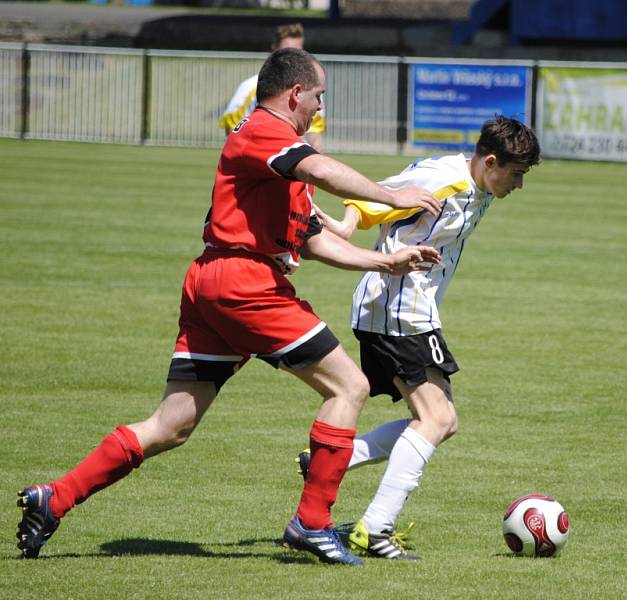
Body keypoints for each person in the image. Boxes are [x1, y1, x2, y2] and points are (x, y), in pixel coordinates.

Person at [15, 48, 442, 566]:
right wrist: (393, 196)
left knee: (171, 425)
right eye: (318, 96)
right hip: (245, 285)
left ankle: (53, 497)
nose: (320, 107)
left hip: (215, 283)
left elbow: (310, 241)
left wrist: (386, 262)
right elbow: (326, 172)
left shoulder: (280, 160)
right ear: (294, 94)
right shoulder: (265, 129)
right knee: (349, 387)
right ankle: (312, 522)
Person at [299, 116, 541, 559]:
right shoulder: (444, 179)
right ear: (491, 162)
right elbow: (384, 193)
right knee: (436, 419)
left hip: (408, 311)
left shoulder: (478, 185)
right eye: (517, 174)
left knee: (443, 421)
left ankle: (335, 458)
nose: (519, 185)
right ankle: (374, 528)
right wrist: (349, 223)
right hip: (398, 311)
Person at [219, 23, 326, 151]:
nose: (294, 58)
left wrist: (315, 159)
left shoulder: (311, 91)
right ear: (274, 49)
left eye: (298, 52)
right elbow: (233, 128)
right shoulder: (250, 86)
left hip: (294, 162)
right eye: (287, 51)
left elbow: (314, 134)